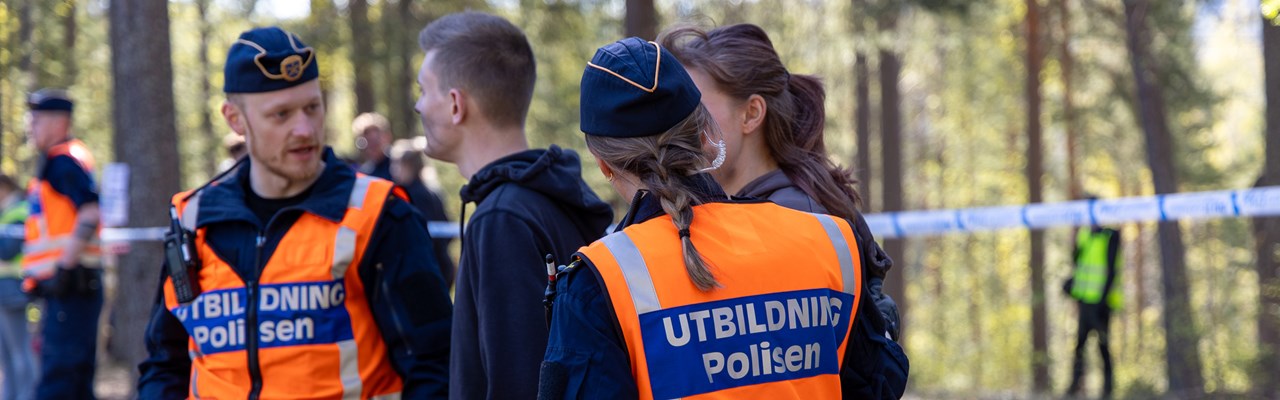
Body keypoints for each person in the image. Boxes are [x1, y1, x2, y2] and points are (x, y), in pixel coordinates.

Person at [539, 36, 881, 399]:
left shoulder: (598, 282)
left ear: (602, 162)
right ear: (704, 133)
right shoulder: (830, 241)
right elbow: (875, 382)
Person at [137, 27, 452, 399]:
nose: (304, 129)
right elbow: (164, 362)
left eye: (312, 107)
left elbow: (433, 365)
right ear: (235, 119)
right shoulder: (193, 220)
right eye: (281, 114)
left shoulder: (380, 214)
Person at [660, 24, 907, 397]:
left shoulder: (797, 220)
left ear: (751, 114)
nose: (679, 130)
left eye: (695, 111)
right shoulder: (756, 211)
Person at [414, 12, 613, 399]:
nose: (419, 106)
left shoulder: (502, 220)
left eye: (423, 90)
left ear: (456, 104)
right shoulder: (549, 197)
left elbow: (517, 382)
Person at [22, 88, 103, 400]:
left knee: (59, 379)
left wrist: (63, 269)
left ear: (59, 122)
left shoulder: (62, 162)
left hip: (72, 286)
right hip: (74, 286)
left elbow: (90, 211)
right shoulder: (69, 159)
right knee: (77, 380)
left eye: (37, 120)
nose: (31, 126)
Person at [1063, 208, 1121, 398]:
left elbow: (1112, 272)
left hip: (1102, 305)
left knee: (1103, 346)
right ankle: (1073, 388)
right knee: (1079, 345)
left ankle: (1108, 391)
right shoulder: (1084, 234)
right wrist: (1071, 286)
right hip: (1085, 303)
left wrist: (1102, 302)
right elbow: (1079, 266)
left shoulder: (1110, 237)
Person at [389, 139, 455, 287]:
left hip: (429, 270)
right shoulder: (431, 191)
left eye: (396, 164)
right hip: (439, 266)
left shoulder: (416, 195)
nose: (393, 170)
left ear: (408, 166)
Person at [0, 174, 35, 400]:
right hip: (5, 290)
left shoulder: (20, 210)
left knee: (20, 352)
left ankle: (26, 395)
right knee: (7, 355)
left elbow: (7, 250)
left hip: (14, 290)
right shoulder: (7, 212)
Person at [353, 112, 394, 180]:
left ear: (387, 137)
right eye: (368, 141)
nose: (372, 146)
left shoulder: (398, 165)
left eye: (376, 141)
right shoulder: (365, 173)